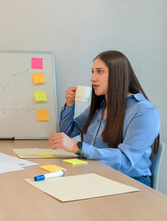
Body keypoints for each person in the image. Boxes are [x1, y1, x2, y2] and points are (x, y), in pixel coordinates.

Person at [48, 50, 160, 187]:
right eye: (92, 72)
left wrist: (78, 148)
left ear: (117, 75)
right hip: (96, 174)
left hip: (130, 182)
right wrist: (70, 104)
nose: (92, 78)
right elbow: (66, 132)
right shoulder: (100, 106)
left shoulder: (144, 112)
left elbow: (126, 160)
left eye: (99, 72)